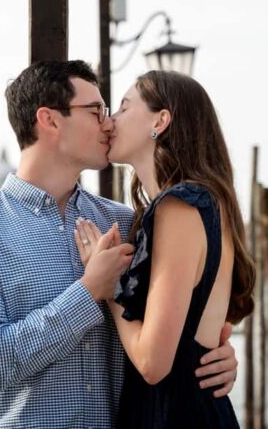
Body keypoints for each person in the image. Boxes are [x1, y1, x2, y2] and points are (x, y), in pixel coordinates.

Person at [0, 60, 239, 428]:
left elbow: (174, 326)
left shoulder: (128, 222)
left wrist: (213, 354)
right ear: (49, 120)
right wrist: (89, 290)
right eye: (96, 110)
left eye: (114, 110)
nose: (108, 122)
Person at [75, 70, 254, 428]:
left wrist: (108, 286)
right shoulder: (202, 203)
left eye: (124, 108)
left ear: (161, 120)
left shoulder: (179, 208)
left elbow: (153, 364)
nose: (109, 122)